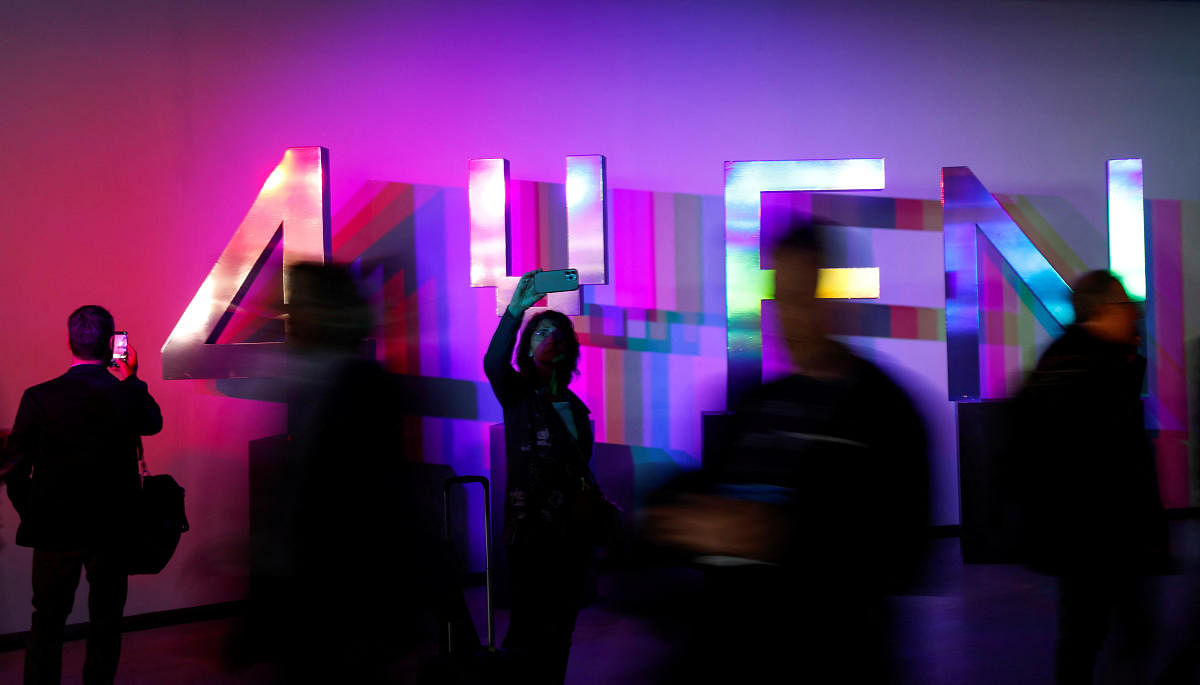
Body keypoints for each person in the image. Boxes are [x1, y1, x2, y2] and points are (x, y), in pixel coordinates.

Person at [645, 220, 930, 683]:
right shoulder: (755, 401)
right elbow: (710, 493)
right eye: (782, 297)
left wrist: (777, 536)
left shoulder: (887, 410)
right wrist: (670, 516)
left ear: (834, 298)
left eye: (803, 296)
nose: (789, 316)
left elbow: (903, 555)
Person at [1013, 270, 1168, 685]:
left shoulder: (1063, 360)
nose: (1133, 314)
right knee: (1099, 632)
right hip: (1100, 531)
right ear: (1101, 310)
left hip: (1084, 533)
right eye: (1125, 306)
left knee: (1091, 631)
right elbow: (1113, 456)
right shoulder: (1097, 367)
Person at [4, 305, 162, 685]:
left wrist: (33, 510)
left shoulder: (39, 397)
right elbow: (153, 423)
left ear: (69, 342)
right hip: (112, 529)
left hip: (54, 528)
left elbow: (14, 469)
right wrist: (132, 378)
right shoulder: (125, 394)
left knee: (47, 620)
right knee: (107, 620)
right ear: (112, 345)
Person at [483, 270, 614, 685]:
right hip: (531, 534)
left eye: (557, 333)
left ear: (568, 349)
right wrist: (518, 310)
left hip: (571, 537)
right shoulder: (518, 394)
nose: (549, 339)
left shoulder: (577, 411)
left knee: (561, 630)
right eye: (540, 332)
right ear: (528, 345)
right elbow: (492, 364)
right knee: (526, 629)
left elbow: (579, 470)